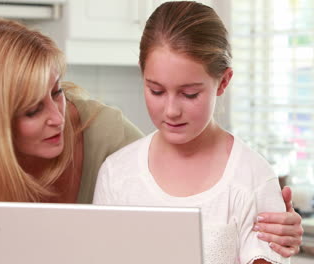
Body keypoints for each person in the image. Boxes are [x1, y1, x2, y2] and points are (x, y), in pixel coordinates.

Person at [0, 16, 302, 264]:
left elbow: (165, 189)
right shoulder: (118, 171)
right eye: (33, 110)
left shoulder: (108, 138)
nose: (57, 117)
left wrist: (279, 223)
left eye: (57, 92)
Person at [93, 2, 300, 263]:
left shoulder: (253, 179)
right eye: (156, 90)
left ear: (223, 82)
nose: (170, 110)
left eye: (189, 94)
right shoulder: (116, 174)